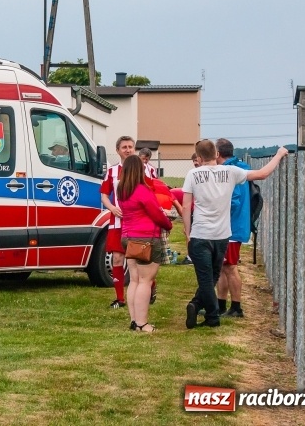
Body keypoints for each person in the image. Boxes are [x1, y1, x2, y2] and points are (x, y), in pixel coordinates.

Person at [181, 140, 287, 329]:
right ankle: (198, 306)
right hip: (222, 235)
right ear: (216, 154)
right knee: (213, 275)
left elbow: (187, 205)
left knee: (205, 277)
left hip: (201, 232)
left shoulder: (193, 174)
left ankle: (211, 314)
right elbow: (262, 174)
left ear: (198, 158)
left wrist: (187, 232)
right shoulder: (231, 172)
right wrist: (278, 155)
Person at [120, 155, 173, 332]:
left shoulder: (123, 190)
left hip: (128, 237)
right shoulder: (142, 190)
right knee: (146, 281)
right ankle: (143, 323)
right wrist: (168, 223)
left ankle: (134, 320)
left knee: (134, 280)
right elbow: (156, 214)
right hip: (146, 239)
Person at [215, 138, 250, 318]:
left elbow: (233, 200)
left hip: (231, 227)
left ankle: (236, 307)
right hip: (236, 225)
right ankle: (220, 304)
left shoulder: (229, 171)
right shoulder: (241, 167)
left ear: (218, 154)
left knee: (230, 267)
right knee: (223, 266)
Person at [100, 135, 135, 308]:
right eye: (124, 147)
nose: (128, 150)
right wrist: (112, 208)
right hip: (117, 222)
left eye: (130, 147)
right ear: (118, 151)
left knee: (140, 259)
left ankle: (150, 287)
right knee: (117, 259)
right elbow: (104, 194)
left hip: (137, 223)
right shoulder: (112, 171)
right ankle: (120, 298)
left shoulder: (144, 169)